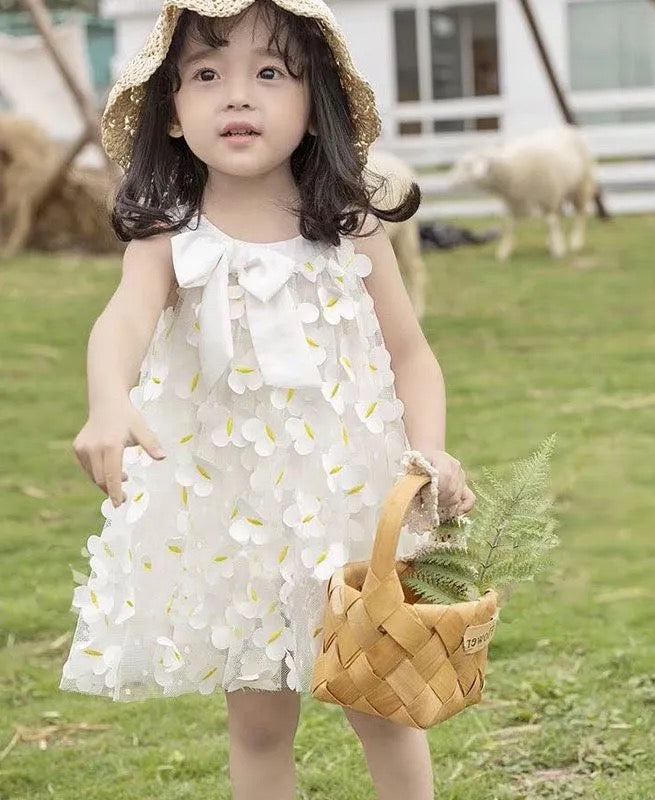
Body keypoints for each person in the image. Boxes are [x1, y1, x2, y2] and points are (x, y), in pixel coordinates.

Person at [59, 1, 474, 798]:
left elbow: (412, 355)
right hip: (234, 523)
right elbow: (121, 324)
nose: (236, 96)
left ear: (311, 102)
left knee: (384, 701)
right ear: (173, 114)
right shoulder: (169, 235)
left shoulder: (350, 227)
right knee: (258, 723)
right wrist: (107, 400)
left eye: (269, 73)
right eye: (207, 75)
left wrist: (432, 450)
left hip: (352, 505)